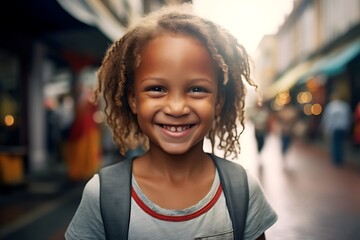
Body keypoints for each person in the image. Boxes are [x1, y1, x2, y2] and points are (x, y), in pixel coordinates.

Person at [65, 3, 277, 239]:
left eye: (197, 89)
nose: (176, 108)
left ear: (219, 101)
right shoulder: (102, 194)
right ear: (133, 99)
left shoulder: (243, 190)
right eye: (156, 88)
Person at [321, 92, 352, 166]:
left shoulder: (331, 106)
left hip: (335, 127)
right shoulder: (345, 106)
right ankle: (339, 157)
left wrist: (326, 128)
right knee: (340, 142)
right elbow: (349, 117)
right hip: (343, 127)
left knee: (335, 143)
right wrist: (348, 127)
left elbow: (327, 118)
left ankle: (336, 158)